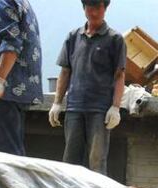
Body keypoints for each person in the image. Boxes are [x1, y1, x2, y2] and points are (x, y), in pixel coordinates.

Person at [48, 0, 126, 175]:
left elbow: (119, 75)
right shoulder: (73, 37)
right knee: (70, 161)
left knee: (97, 162)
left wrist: (115, 106)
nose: (94, 12)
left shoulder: (115, 39)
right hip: (74, 108)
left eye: (98, 7)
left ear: (105, 8)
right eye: (89, 7)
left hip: (100, 110)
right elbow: (65, 71)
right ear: (84, 8)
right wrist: (57, 102)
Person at [0, 0, 43, 156]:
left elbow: (11, 43)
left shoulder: (2, 2)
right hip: (17, 87)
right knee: (12, 151)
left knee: (6, 155)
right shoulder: (21, 3)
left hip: (6, 89)